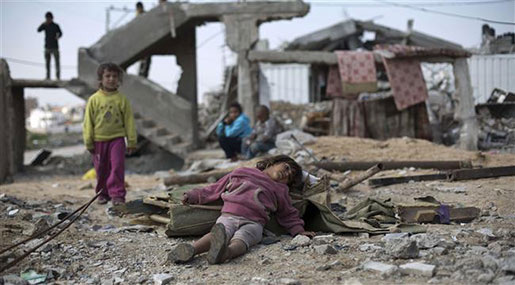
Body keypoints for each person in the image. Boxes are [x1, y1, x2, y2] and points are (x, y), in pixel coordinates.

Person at [168, 155, 315, 264]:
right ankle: (191, 250)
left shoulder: (280, 189)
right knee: (218, 233)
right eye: (287, 167)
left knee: (242, 240)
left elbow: (288, 213)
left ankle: (225, 253)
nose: (287, 173)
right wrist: (193, 195)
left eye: (290, 177)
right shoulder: (242, 172)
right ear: (273, 162)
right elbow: (214, 188)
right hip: (229, 216)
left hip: (255, 223)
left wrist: (299, 231)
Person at [83, 63, 137, 205]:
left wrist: (131, 141)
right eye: (107, 76)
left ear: (119, 79)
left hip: (117, 140)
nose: (111, 79)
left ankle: (117, 195)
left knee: (117, 166)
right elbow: (88, 122)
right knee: (101, 169)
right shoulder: (94, 99)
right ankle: (103, 193)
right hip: (98, 141)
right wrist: (88, 141)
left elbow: (129, 121)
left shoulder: (122, 99)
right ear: (101, 79)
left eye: (114, 76)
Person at [37, 12, 62, 80]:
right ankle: (48, 77)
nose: (48, 19)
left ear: (52, 18)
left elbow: (60, 33)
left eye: (49, 18)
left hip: (55, 47)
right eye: (47, 18)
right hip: (47, 47)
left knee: (57, 62)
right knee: (47, 63)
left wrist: (58, 36)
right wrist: (43, 24)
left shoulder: (55, 26)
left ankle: (58, 77)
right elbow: (38, 30)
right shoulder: (45, 25)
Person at [135, 2, 151, 78]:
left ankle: (143, 74)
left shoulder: (144, 15)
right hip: (141, 41)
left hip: (145, 40)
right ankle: (142, 74)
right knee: (143, 60)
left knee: (146, 59)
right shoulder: (138, 15)